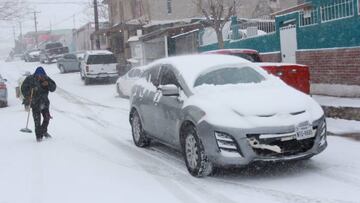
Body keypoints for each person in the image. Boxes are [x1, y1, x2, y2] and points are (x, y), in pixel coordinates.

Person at [21, 67, 56, 142]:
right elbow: (23, 88)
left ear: (44, 74)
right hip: (35, 103)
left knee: (47, 118)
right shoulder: (30, 79)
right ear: (35, 74)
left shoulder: (46, 79)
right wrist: (28, 96)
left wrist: (48, 84)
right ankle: (38, 137)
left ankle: (43, 131)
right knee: (37, 121)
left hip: (45, 102)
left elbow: (53, 88)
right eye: (38, 75)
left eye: (42, 75)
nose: (40, 76)